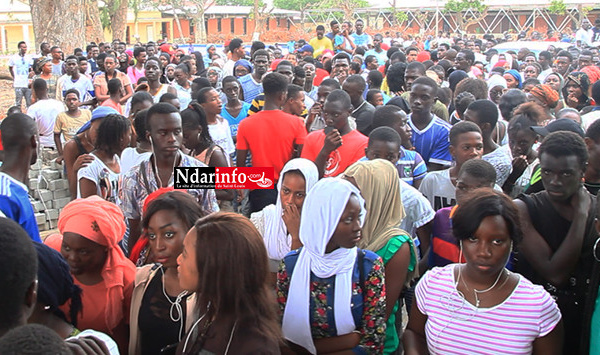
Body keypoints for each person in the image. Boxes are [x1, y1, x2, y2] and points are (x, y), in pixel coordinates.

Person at [404, 189, 564, 354]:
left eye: (497, 241)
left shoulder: (538, 306)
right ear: (461, 240)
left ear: (512, 243)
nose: (484, 252)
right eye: (473, 239)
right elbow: (414, 333)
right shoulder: (433, 284)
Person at [277, 178, 386, 354]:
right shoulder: (291, 265)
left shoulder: (368, 267)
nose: (358, 227)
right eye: (348, 220)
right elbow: (282, 337)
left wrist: (308, 350)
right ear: (324, 220)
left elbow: (373, 343)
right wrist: (348, 340)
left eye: (358, 217)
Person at [514, 131, 596, 354]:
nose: (554, 181)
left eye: (566, 174)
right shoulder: (525, 208)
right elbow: (554, 273)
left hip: (585, 322)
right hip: (538, 323)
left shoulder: (597, 210)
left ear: (583, 170)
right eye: (547, 172)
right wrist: (581, 214)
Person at [120, 103, 219, 254]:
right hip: (151, 260)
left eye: (177, 132)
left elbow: (211, 222)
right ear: (149, 136)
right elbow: (134, 229)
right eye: (163, 133)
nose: (172, 139)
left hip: (191, 258)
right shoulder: (134, 177)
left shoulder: (197, 171)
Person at [177, 212, 282, 354]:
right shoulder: (209, 312)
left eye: (184, 253)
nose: (178, 260)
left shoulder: (256, 347)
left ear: (214, 267)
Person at [343, 159, 418, 354]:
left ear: (376, 195)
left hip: (377, 346)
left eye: (357, 193)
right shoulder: (346, 230)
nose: (349, 199)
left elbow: (380, 315)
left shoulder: (396, 245)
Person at [44, 196, 136, 353]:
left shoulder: (126, 278)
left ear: (105, 249)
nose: (72, 257)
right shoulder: (51, 254)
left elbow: (128, 333)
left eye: (83, 251)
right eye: (66, 247)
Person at [129, 191, 205, 355]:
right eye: (151, 235)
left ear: (193, 231)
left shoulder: (211, 289)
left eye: (168, 234)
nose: (158, 245)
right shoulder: (142, 280)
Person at [236, 73, 307, 212]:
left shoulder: (245, 124)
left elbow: (241, 162)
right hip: (288, 186)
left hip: (259, 186)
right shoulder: (297, 123)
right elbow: (302, 158)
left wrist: (240, 187)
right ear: (282, 96)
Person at [426, 159, 497, 269]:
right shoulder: (442, 218)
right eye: (462, 187)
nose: (468, 195)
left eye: (478, 190)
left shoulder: (497, 226)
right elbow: (432, 262)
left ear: (492, 190)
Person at [250, 158, 318, 273]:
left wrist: (296, 236)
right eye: (286, 191)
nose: (290, 201)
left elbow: (301, 273)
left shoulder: (317, 227)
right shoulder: (263, 219)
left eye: (300, 194)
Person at [301, 89, 368, 178]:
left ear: (349, 111)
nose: (329, 119)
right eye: (325, 113)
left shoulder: (362, 143)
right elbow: (308, 177)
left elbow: (351, 181)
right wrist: (325, 152)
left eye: (336, 115)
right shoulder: (312, 138)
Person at [419, 121, 484, 211]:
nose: (474, 152)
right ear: (452, 151)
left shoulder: (489, 186)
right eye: (466, 148)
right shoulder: (433, 181)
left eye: (479, 147)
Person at [181, 102, 234, 207]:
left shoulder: (214, 155)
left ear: (199, 130)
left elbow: (229, 193)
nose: (183, 141)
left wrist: (197, 192)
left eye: (186, 136)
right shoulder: (192, 153)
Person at [77, 114, 131, 203]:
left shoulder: (117, 159)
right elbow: (89, 204)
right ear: (120, 138)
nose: (130, 140)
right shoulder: (89, 166)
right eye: (128, 135)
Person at [370, 105, 426, 188]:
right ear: (387, 128)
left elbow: (419, 196)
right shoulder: (363, 164)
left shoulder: (414, 159)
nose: (409, 128)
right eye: (403, 124)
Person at [464, 99, 513, 186]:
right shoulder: (459, 146)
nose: (463, 124)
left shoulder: (500, 163)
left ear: (485, 126)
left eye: (468, 121)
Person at [407, 76, 452, 170]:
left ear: (434, 101)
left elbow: (435, 169)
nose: (417, 101)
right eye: (413, 96)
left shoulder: (445, 131)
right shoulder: (399, 125)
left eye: (424, 97)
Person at [54, 89, 92, 164]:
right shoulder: (61, 116)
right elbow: (56, 136)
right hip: (71, 152)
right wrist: (61, 154)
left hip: (87, 151)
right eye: (68, 100)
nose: (71, 102)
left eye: (74, 99)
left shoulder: (87, 113)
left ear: (79, 101)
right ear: (65, 102)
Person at [26, 78, 64, 149]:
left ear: (33, 91)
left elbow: (28, 128)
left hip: (44, 144)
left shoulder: (33, 108)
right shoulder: (59, 104)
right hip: (60, 142)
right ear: (47, 89)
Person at [197, 87, 235, 157]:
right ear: (203, 105)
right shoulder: (200, 129)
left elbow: (229, 153)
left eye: (219, 98)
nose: (219, 101)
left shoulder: (224, 123)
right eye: (213, 99)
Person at [220, 76, 251, 145]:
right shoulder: (219, 112)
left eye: (235, 89)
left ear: (239, 87)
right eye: (228, 90)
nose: (233, 92)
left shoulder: (249, 108)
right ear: (223, 90)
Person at [8, 41, 33, 108]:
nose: (25, 49)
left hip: (27, 84)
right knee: (18, 103)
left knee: (29, 102)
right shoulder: (14, 58)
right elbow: (10, 68)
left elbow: (30, 69)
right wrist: (14, 77)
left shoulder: (28, 57)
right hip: (18, 84)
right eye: (23, 47)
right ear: (19, 48)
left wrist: (30, 78)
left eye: (26, 47)